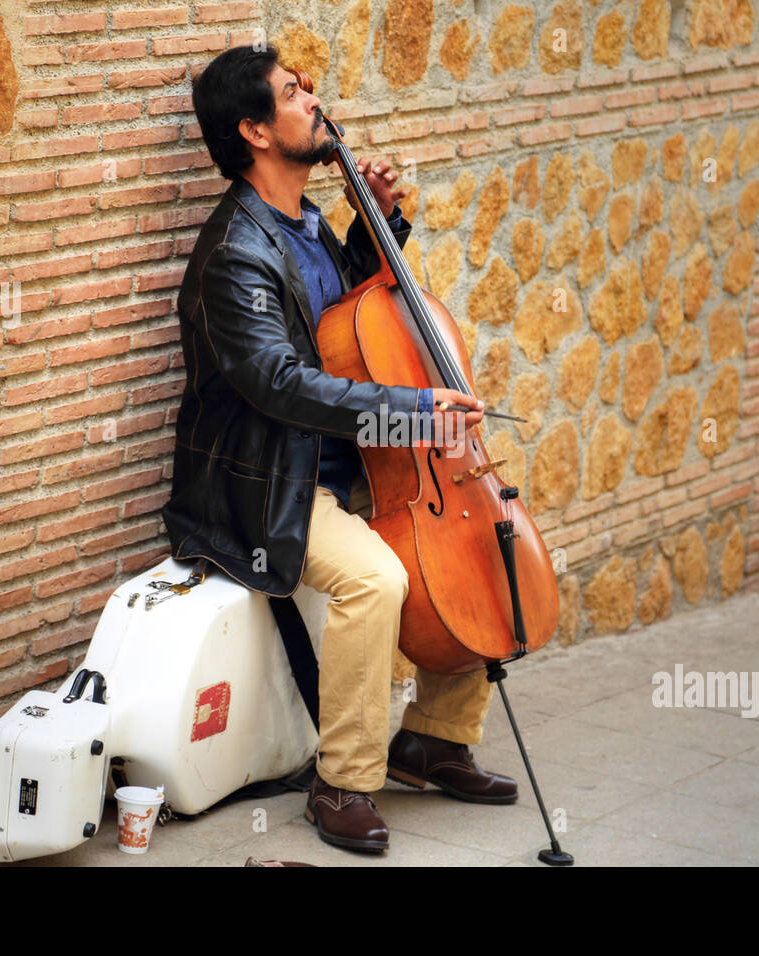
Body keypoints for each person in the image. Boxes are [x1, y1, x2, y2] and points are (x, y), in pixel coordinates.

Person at [162, 44, 518, 853]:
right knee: (376, 578)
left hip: (351, 463)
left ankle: (433, 740)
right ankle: (344, 780)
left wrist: (377, 228)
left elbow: (342, 322)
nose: (313, 98)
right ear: (254, 130)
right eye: (293, 92)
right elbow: (282, 382)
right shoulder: (234, 255)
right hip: (267, 482)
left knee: (470, 545)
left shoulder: (308, 221)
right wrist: (415, 412)